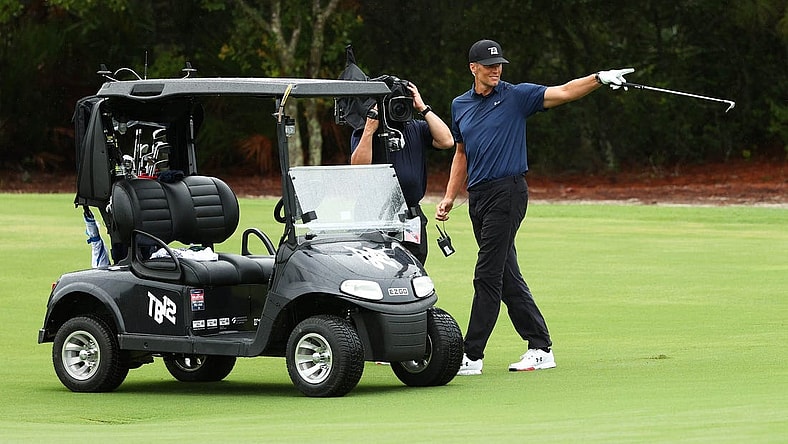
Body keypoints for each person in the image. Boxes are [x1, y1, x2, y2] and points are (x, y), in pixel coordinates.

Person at [435, 39, 633, 375]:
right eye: (489, 65)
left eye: (499, 65)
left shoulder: (517, 96)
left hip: (508, 193)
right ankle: (540, 347)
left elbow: (565, 92)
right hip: (478, 198)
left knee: (487, 275)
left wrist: (597, 78)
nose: (496, 70)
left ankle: (471, 355)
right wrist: (450, 197)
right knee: (506, 276)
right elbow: (461, 153)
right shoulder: (460, 105)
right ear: (473, 68)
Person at [351, 80, 454, 264]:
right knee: (376, 272)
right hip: (375, 216)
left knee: (414, 269)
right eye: (393, 103)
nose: (398, 108)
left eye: (402, 103)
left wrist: (422, 107)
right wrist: (369, 129)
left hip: (411, 216)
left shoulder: (416, 127)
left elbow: (447, 141)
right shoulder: (368, 129)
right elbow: (358, 168)